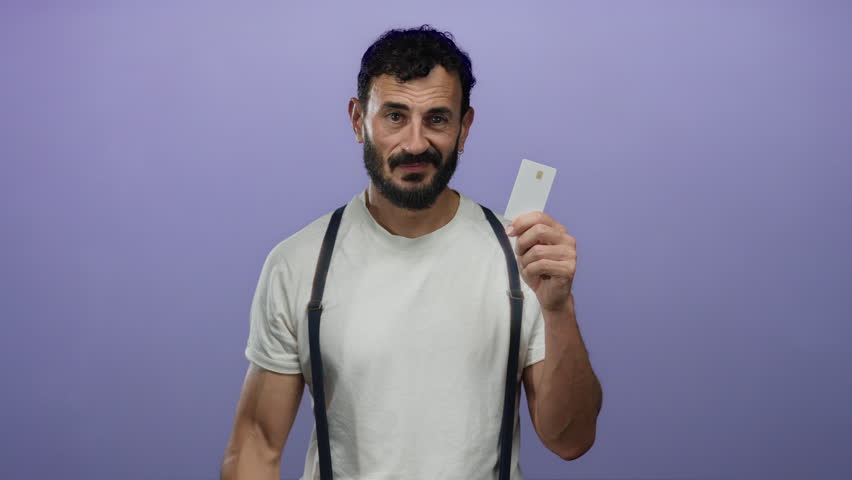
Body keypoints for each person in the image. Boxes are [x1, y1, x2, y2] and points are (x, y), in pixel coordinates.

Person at [220, 25, 602, 480]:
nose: (416, 143)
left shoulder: (521, 258)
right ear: (358, 119)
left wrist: (559, 309)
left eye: (437, 119)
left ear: (464, 127)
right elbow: (256, 444)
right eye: (395, 117)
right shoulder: (299, 263)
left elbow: (570, 439)